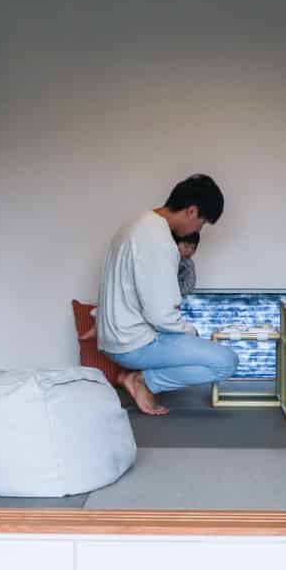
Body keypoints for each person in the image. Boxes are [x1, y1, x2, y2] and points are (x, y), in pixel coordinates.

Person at [97, 174, 237, 416]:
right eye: (202, 223)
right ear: (192, 211)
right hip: (134, 343)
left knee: (200, 346)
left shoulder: (136, 224)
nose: (198, 230)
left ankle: (141, 379)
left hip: (113, 339)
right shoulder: (159, 239)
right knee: (226, 362)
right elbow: (160, 315)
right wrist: (192, 333)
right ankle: (141, 380)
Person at [176, 229, 201, 296]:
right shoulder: (168, 259)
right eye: (186, 246)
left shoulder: (188, 263)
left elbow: (188, 288)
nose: (190, 251)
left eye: (193, 248)